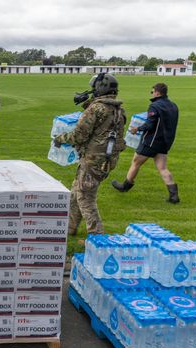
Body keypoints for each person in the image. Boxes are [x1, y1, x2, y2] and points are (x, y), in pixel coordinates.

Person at [53, 73, 126, 237]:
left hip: (93, 160)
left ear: (100, 88)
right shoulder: (118, 111)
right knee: (75, 194)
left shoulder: (96, 108)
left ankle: (97, 236)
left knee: (85, 197)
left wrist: (60, 138)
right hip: (106, 160)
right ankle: (69, 229)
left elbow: (79, 135)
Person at [111, 83, 180, 203]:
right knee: (163, 168)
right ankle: (174, 196)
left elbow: (150, 124)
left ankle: (125, 186)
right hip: (165, 142)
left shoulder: (155, 106)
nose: (152, 93)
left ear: (157, 93)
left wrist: (137, 129)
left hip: (151, 142)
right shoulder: (174, 106)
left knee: (135, 162)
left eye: (152, 91)